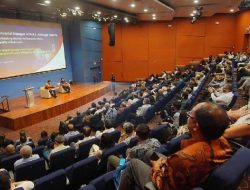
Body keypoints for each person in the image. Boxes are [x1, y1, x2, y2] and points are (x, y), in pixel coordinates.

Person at [118, 102, 232, 190]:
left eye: (189, 116)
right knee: (150, 153)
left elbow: (161, 182)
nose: (187, 117)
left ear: (196, 125)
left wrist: (158, 164)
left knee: (133, 164)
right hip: (185, 174)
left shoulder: (183, 158)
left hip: (165, 181)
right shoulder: (222, 141)